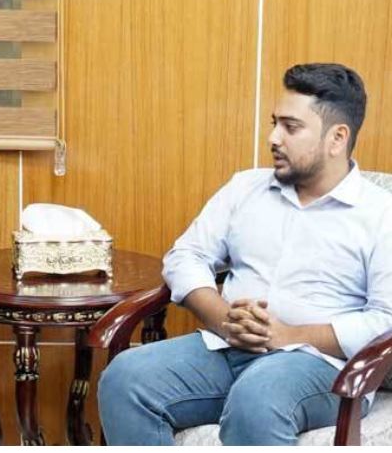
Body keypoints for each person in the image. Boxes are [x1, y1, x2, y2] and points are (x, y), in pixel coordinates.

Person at [97, 63, 392, 445]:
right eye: (274, 123)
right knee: (125, 379)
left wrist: (290, 335)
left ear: (337, 138)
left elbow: (385, 319)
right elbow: (185, 255)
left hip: (323, 366)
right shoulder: (246, 188)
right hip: (227, 347)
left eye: (291, 127)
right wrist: (223, 319)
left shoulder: (381, 215)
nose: (273, 137)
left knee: (258, 397)